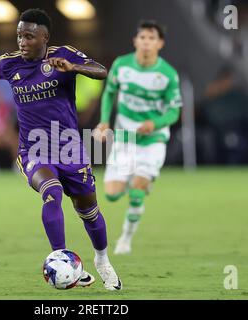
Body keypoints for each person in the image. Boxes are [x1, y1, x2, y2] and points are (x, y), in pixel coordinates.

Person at [0, 8, 122, 291]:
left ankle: (102, 260)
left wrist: (74, 68)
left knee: (88, 210)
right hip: (34, 149)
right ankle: (62, 259)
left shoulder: (64, 55)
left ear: (44, 38)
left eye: (29, 36)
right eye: (19, 35)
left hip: (70, 150)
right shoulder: (10, 64)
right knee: (51, 193)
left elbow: (102, 71)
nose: (22, 41)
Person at [94, 20, 182, 255]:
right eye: (142, 37)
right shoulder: (121, 66)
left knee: (136, 192)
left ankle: (126, 238)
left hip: (152, 141)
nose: (146, 42)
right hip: (124, 138)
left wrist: (155, 123)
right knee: (111, 195)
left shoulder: (167, 75)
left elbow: (174, 111)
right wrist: (104, 122)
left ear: (160, 44)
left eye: (151, 38)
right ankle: (139, 181)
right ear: (135, 41)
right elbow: (109, 93)